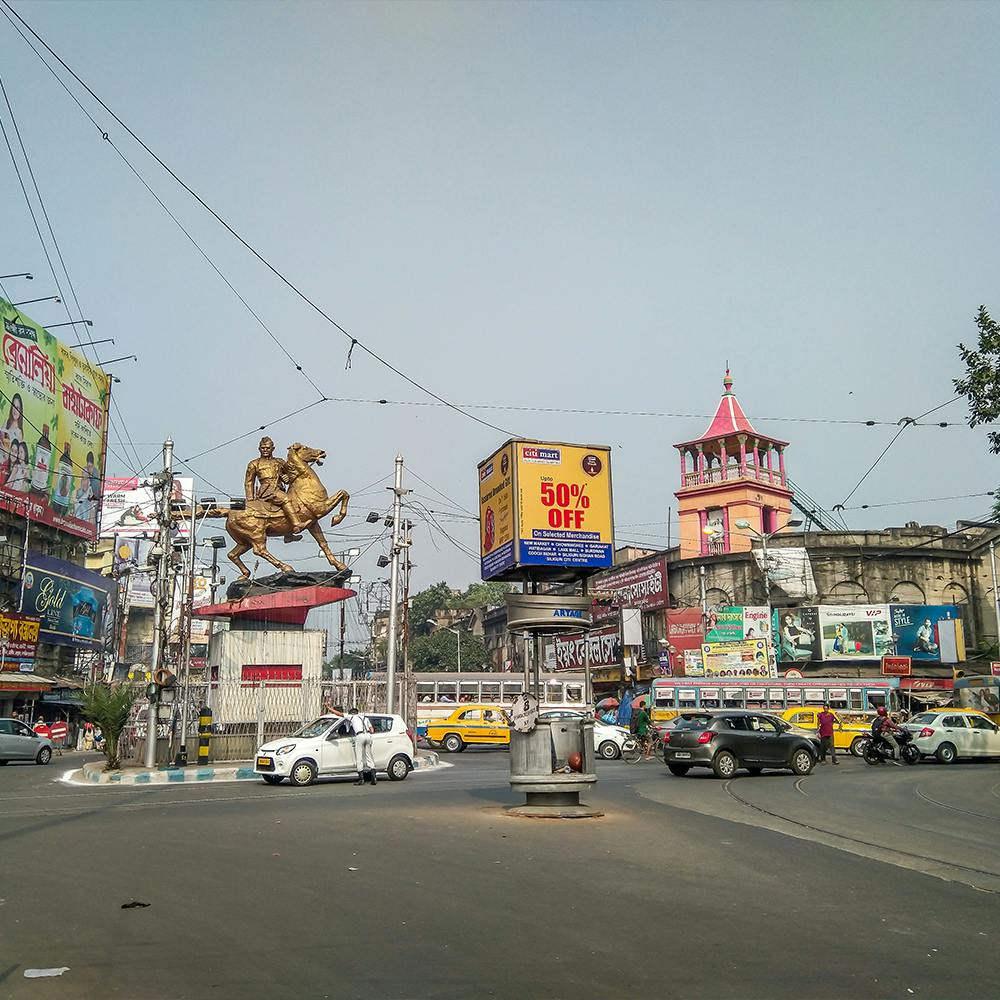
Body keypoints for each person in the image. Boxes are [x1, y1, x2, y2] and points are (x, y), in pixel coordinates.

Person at [244, 436, 304, 537]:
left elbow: (291, 473)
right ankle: (297, 524)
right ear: (259, 449)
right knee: (286, 499)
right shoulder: (254, 464)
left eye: (267, 448)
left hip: (279, 489)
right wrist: (250, 500)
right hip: (267, 491)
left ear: (273, 448)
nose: (265, 450)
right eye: (263, 448)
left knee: (294, 504)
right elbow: (249, 482)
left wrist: (286, 478)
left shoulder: (279, 462)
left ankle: (288, 535)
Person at [346, 706, 376, 785]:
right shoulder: (365, 718)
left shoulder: (352, 717)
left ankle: (361, 779)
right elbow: (372, 730)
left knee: (359, 757)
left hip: (360, 736)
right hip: (368, 735)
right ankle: (374, 778)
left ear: (352, 713)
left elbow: (339, 714)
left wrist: (329, 708)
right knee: (369, 756)